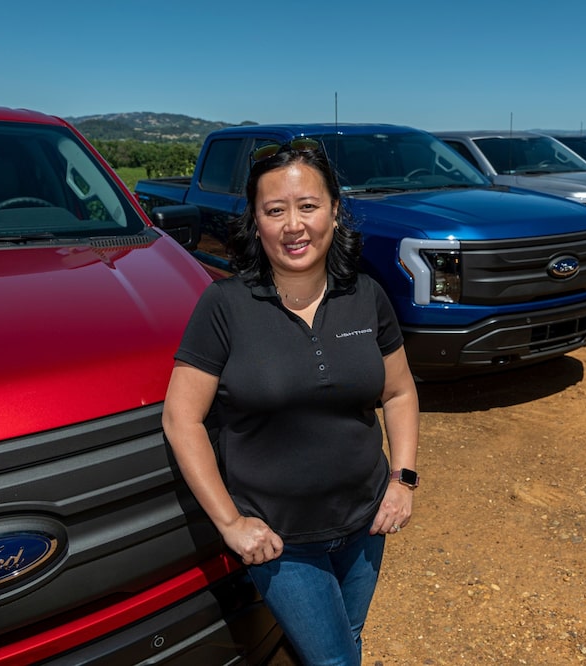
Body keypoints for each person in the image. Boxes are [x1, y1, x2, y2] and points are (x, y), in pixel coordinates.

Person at [162, 137, 420, 665]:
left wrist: (403, 479)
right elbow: (181, 419)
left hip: (365, 523)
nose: (293, 225)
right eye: (275, 210)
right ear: (255, 222)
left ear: (334, 211)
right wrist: (230, 523)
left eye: (308, 206)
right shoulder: (224, 306)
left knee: (346, 637)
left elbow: (399, 391)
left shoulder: (366, 296)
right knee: (335, 660)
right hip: (280, 540)